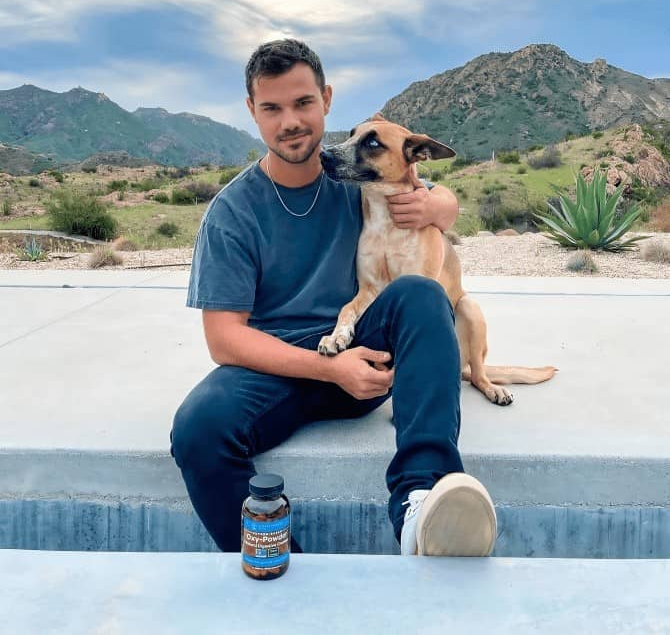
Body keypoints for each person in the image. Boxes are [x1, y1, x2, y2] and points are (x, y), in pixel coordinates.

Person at [170, 38, 497, 556]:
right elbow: (224, 339)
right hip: (275, 367)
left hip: (364, 352)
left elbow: (432, 193)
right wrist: (328, 368)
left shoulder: (358, 177)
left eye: (303, 103)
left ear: (325, 99)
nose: (290, 122)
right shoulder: (232, 213)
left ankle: (420, 502)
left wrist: (441, 207)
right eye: (272, 108)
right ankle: (279, 565)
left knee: (420, 293)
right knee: (196, 430)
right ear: (252, 111)